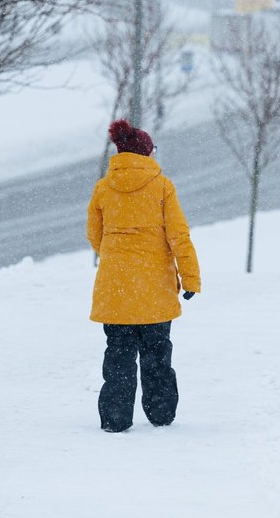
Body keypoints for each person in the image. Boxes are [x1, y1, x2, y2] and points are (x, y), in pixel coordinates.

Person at [86, 119, 201, 433]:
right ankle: (161, 413)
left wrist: (116, 258)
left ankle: (115, 418)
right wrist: (190, 278)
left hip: (115, 288)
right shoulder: (162, 185)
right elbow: (179, 235)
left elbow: (94, 235)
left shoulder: (103, 188)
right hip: (154, 288)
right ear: (146, 153)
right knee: (157, 354)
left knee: (118, 356)